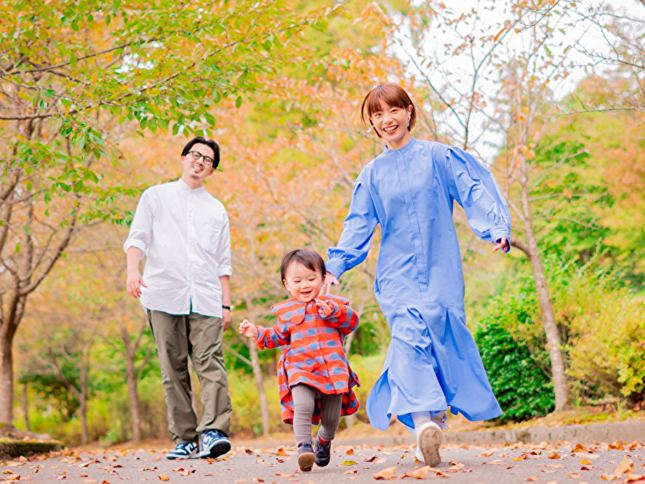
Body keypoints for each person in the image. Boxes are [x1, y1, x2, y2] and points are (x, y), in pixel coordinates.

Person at [322, 83, 511, 467]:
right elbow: (358, 223)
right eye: (377, 115)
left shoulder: (439, 157)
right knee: (408, 339)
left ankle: (432, 419)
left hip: (441, 268)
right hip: (396, 275)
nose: (386, 120)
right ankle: (424, 423)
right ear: (372, 123)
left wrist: (495, 226)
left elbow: (473, 188)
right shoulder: (372, 175)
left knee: (441, 338)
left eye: (393, 111)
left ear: (409, 112)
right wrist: (336, 265)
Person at [124, 137, 233, 460]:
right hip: (162, 294)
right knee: (172, 368)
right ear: (183, 158)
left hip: (207, 296)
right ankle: (185, 438)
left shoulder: (216, 209)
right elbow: (138, 237)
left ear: (212, 170)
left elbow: (222, 261)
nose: (200, 162)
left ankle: (213, 431)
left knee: (210, 362)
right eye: (196, 155)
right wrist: (133, 270)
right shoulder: (155, 196)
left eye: (208, 160)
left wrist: (226, 303)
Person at [238, 249, 360, 472]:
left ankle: (323, 441)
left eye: (311, 279)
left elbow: (352, 322)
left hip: (332, 370)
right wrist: (257, 333)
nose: (305, 285)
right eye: (297, 280)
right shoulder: (288, 313)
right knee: (302, 405)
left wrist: (334, 312)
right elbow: (277, 336)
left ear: (323, 279)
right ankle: (304, 447)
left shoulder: (332, 305)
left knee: (331, 420)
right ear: (287, 284)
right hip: (300, 369)